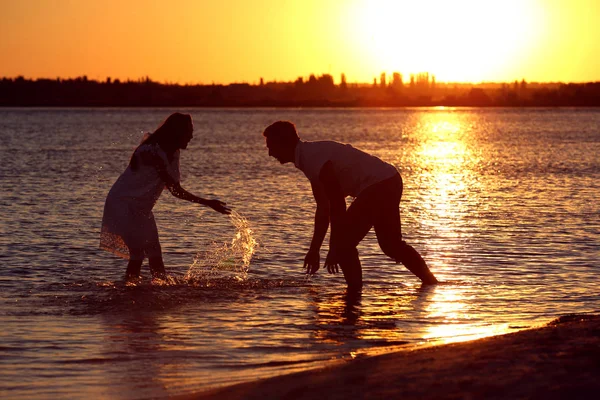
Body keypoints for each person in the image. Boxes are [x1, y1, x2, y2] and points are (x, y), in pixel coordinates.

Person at [263, 120, 437, 291]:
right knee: (390, 245)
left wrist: (333, 247)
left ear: (283, 143)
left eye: (271, 146)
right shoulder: (309, 160)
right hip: (390, 179)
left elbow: (338, 204)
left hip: (381, 184)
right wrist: (314, 250)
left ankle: (354, 295)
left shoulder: (313, 159)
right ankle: (431, 283)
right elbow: (324, 209)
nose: (270, 153)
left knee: (344, 244)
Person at [100, 112, 231, 280]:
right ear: (177, 132)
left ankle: (161, 291)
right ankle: (128, 294)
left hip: (141, 208)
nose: (191, 136)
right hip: (123, 204)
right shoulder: (152, 151)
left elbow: (175, 188)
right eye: (189, 131)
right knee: (138, 254)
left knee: (155, 253)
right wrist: (207, 203)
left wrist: (208, 203)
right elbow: (174, 190)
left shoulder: (173, 152)